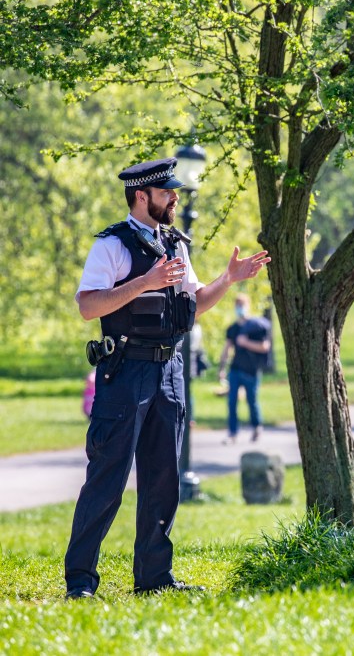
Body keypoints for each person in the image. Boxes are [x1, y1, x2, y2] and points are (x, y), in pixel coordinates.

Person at [64, 157, 270, 600]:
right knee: (108, 476)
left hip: (170, 372)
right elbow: (88, 307)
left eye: (174, 191)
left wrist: (229, 279)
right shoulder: (111, 246)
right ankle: (80, 581)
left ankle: (154, 578)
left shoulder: (176, 244)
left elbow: (193, 304)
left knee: (163, 479)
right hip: (126, 372)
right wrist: (146, 281)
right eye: (166, 192)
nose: (176, 197)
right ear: (142, 196)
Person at [218, 293, 272, 444]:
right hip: (235, 369)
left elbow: (264, 347)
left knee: (252, 401)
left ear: (248, 306)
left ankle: (256, 427)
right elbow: (227, 348)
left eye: (242, 305)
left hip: (252, 370)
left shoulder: (256, 326)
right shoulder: (233, 329)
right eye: (237, 305)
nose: (240, 308)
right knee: (231, 401)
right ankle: (232, 433)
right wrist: (222, 368)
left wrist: (246, 343)